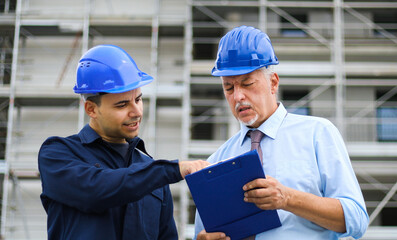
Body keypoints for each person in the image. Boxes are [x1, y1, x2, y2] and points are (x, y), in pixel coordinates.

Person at [194, 26, 368, 240]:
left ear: (273, 82)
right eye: (228, 88)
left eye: (247, 83)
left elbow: (356, 220)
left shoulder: (318, 134)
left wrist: (288, 198)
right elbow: (203, 233)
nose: (238, 96)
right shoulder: (215, 163)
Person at [38, 44, 208, 240]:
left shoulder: (154, 177)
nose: (136, 112)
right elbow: (98, 190)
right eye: (122, 104)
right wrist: (173, 169)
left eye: (138, 99)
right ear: (91, 109)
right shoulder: (58, 154)